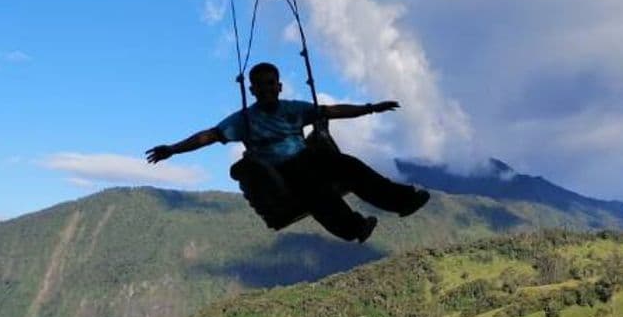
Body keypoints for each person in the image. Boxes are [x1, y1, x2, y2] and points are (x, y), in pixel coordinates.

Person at [146, 62, 430, 242]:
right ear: (253, 89)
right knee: (315, 192)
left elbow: (332, 111)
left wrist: (370, 108)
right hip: (280, 170)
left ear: (279, 86)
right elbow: (208, 136)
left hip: (309, 157)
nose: (268, 88)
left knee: (350, 166)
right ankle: (355, 227)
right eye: (262, 85)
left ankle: (403, 201)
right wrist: (173, 149)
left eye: (272, 83)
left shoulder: (293, 109)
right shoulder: (243, 120)